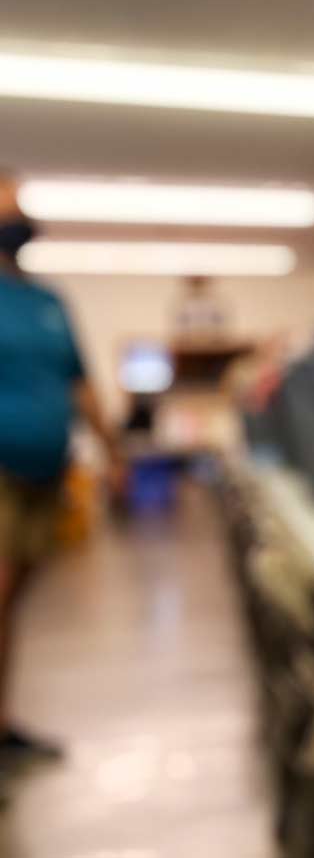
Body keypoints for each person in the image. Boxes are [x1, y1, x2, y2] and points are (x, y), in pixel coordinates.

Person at [0, 171, 123, 779]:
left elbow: (81, 385)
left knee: (12, 605)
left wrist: (113, 453)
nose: (16, 214)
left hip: (45, 471)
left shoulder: (46, 303)